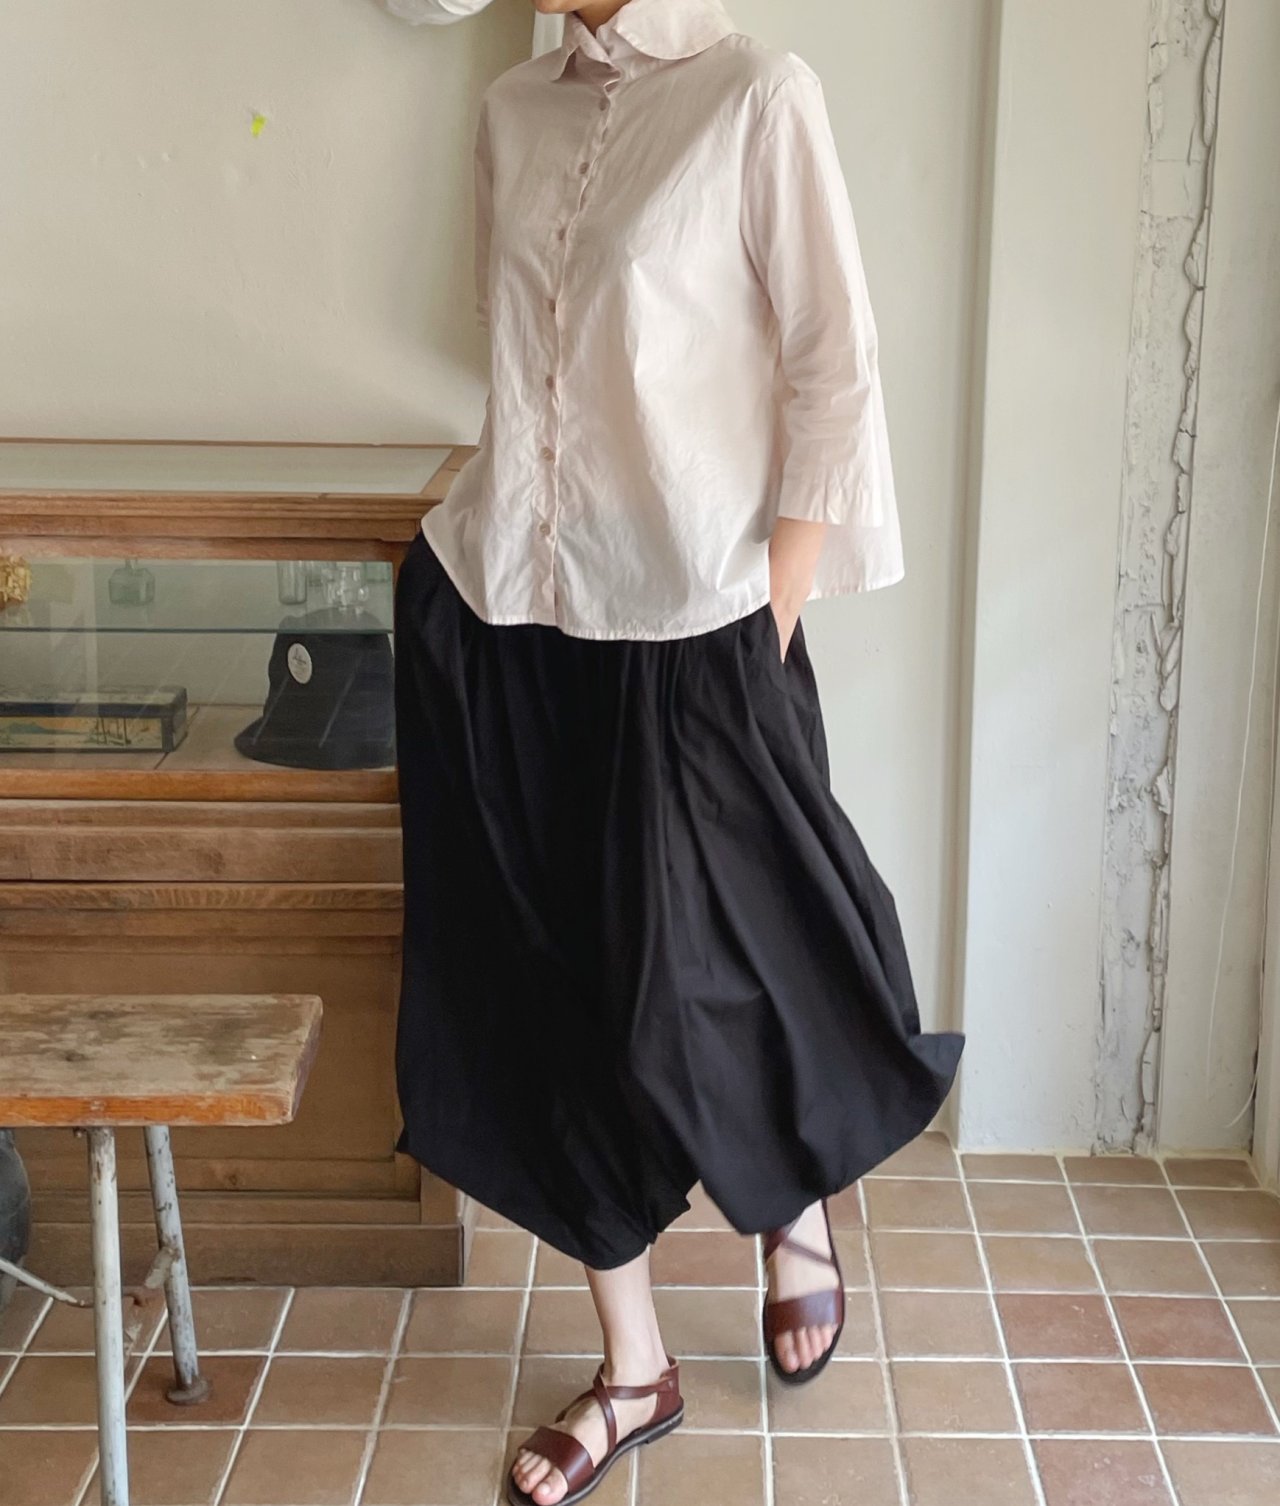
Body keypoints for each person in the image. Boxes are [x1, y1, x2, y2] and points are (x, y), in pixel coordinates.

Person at [391, 3, 964, 1502]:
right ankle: (633, 1366)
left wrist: (769, 617)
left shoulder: (756, 95)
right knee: (551, 986)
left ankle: (792, 1205)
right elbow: (512, 357)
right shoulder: (512, 110)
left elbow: (837, 366)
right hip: (513, 611)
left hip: (698, 617)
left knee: (741, 963)